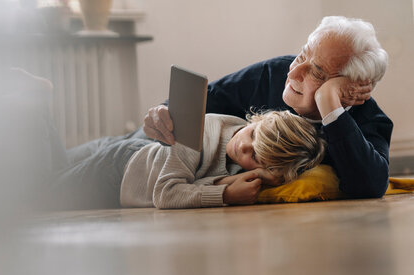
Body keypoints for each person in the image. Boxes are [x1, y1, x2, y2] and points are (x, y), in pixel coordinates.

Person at [143, 16, 392, 199]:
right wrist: (163, 112)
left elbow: (370, 185)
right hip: (154, 154)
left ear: (349, 89)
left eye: (316, 72)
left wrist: (331, 107)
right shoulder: (274, 72)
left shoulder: (370, 119)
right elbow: (204, 100)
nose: (293, 72)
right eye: (302, 56)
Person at [48, 110, 325, 210]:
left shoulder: (254, 163)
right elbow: (166, 194)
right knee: (39, 194)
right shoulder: (201, 133)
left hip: (131, 165)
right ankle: (38, 105)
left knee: (52, 177)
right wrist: (225, 193)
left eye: (254, 156)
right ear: (257, 119)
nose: (242, 145)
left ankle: (39, 111)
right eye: (252, 133)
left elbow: (194, 181)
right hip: (117, 173)